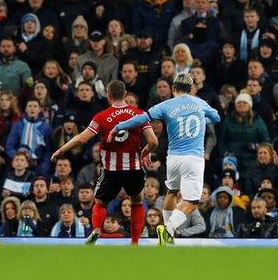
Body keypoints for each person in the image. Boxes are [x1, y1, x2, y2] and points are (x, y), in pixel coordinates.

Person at [108, 73, 220, 245]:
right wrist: (203, 117)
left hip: (173, 158)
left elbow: (141, 118)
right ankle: (168, 229)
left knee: (172, 191)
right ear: (190, 89)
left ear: (174, 89)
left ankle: (169, 238)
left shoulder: (165, 105)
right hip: (193, 158)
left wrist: (118, 126)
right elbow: (217, 118)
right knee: (191, 201)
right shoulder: (199, 102)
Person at [51, 80, 158, 245]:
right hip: (133, 168)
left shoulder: (101, 116)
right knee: (137, 201)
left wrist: (60, 151)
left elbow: (82, 138)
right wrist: (145, 152)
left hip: (111, 169)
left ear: (108, 96)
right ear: (125, 94)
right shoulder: (139, 114)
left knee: (100, 202)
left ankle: (96, 230)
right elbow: (153, 141)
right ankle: (135, 242)